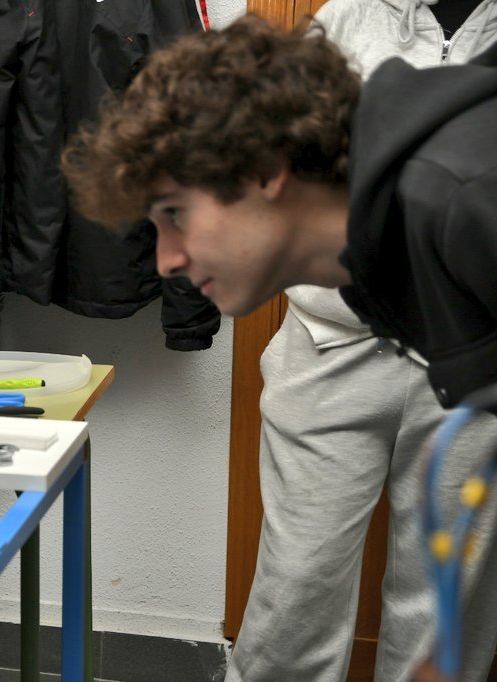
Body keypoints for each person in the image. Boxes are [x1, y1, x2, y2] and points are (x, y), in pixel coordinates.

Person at [61, 13, 497, 680]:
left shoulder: (462, 197)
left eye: (174, 214)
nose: (168, 261)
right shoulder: (382, 254)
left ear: (266, 169)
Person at [223, 1, 497, 681]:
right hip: (330, 347)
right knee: (294, 597)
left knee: (444, 614)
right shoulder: (345, 19)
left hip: (471, 365)